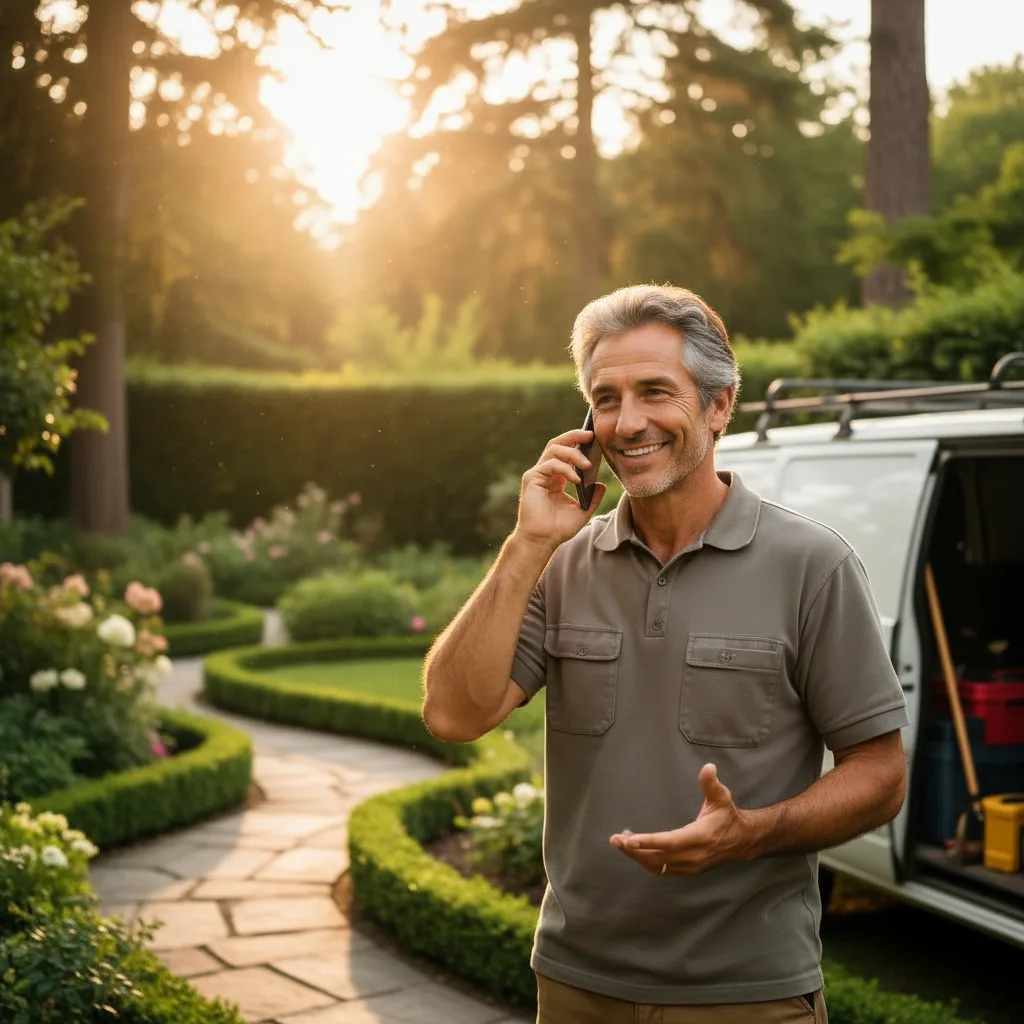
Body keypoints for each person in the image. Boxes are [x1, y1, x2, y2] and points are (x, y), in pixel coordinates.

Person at [422, 284, 908, 1024]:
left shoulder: (813, 565)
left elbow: (881, 774)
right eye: (606, 399)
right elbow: (454, 715)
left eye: (655, 392)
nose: (628, 423)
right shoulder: (560, 563)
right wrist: (527, 544)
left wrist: (749, 835)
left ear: (719, 406)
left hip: (747, 995)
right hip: (576, 985)